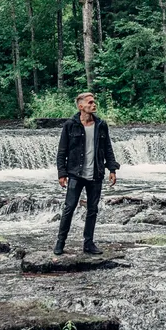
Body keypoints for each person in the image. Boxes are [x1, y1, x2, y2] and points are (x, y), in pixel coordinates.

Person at [54, 91, 119, 255]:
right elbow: (62, 151)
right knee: (69, 208)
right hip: (75, 174)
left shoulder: (101, 124)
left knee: (92, 209)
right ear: (80, 106)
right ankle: (60, 243)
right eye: (90, 102)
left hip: (96, 173)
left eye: (94, 102)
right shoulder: (70, 125)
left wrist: (112, 169)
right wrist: (62, 173)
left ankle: (88, 243)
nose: (93, 104)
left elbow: (107, 149)